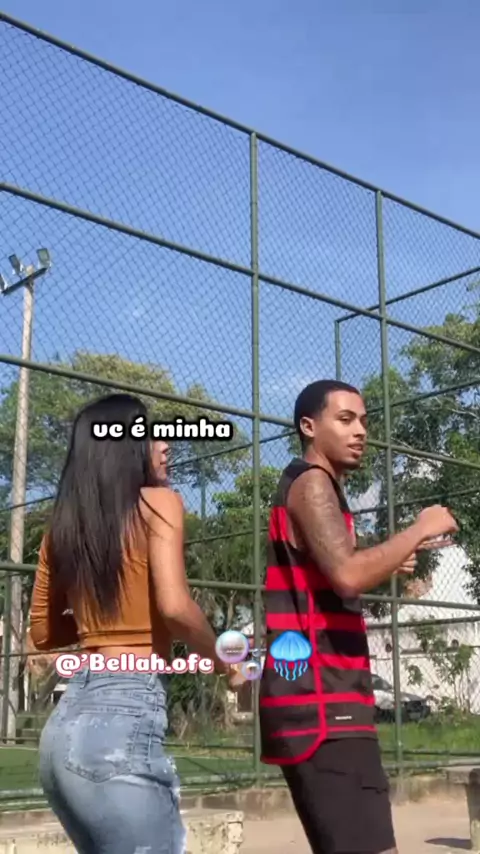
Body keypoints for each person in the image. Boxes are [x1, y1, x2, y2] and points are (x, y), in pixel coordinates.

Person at [29, 393, 239, 854]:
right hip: (122, 719)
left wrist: (101, 624)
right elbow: (176, 607)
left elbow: (42, 633)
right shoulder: (159, 504)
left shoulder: (60, 527)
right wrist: (227, 661)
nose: (164, 444)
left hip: (61, 732)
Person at [259, 379, 458, 854]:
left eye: (364, 421)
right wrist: (418, 529)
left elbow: (337, 575)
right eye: (345, 419)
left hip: (321, 700)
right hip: (323, 703)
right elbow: (348, 574)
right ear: (309, 426)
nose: (361, 431)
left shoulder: (316, 487)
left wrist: (388, 558)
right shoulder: (312, 482)